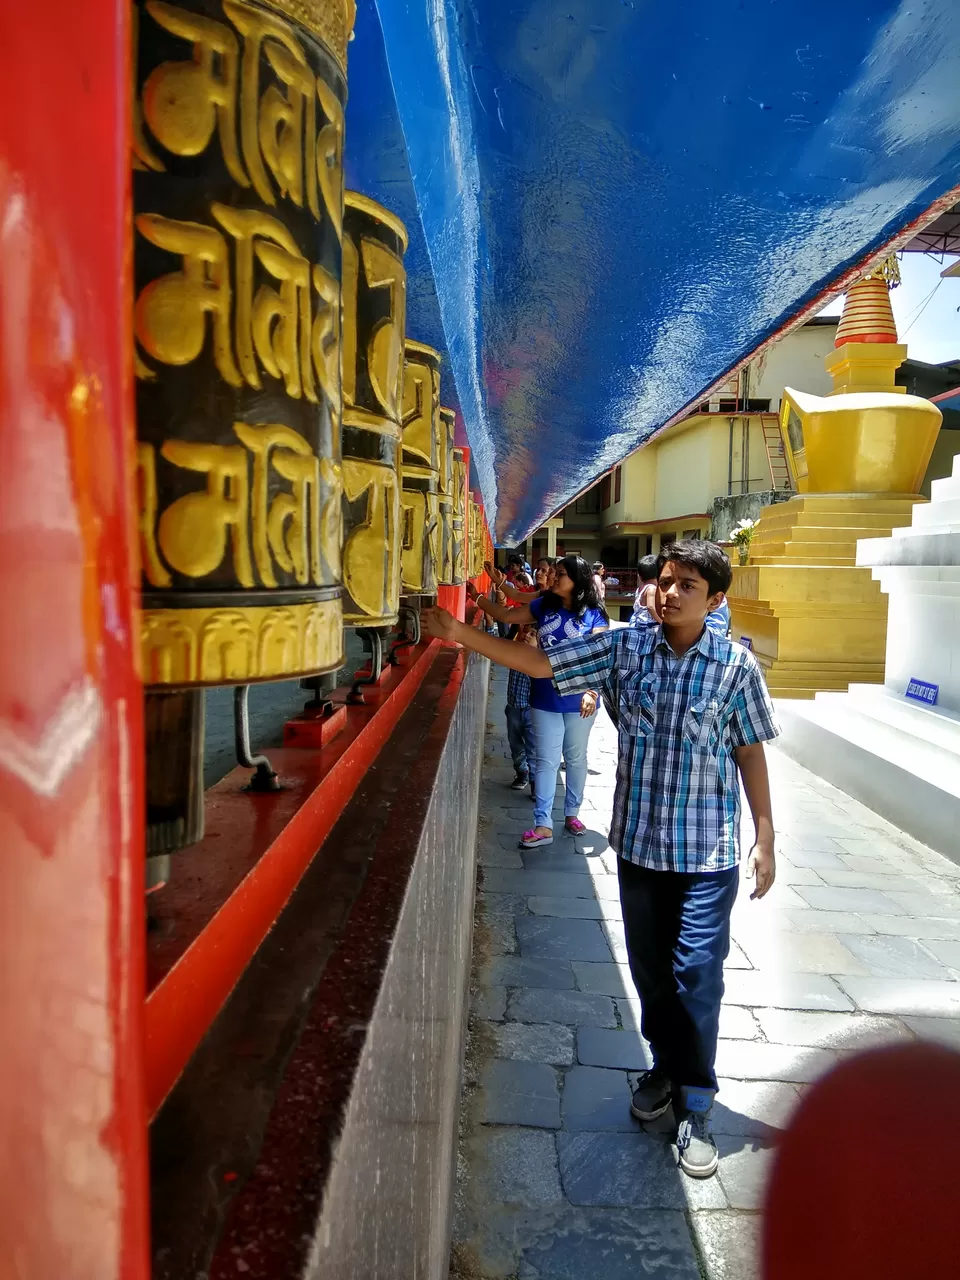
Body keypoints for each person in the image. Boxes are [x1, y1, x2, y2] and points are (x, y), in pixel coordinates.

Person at [422, 540, 778, 1181]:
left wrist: (766, 837)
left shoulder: (735, 669)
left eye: (687, 585)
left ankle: (697, 1100)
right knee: (649, 973)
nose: (669, 594)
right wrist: (458, 632)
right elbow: (539, 661)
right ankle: (665, 1069)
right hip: (641, 847)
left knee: (697, 974)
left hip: (708, 853)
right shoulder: (624, 649)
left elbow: (750, 751)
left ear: (716, 599)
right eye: (665, 582)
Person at [469, 555, 608, 846]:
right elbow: (507, 615)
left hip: (579, 700)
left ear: (578, 581)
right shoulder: (543, 605)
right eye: (554, 573)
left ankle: (572, 813)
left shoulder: (595, 615)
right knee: (544, 761)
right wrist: (478, 598)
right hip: (543, 695)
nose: (554, 578)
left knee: (575, 758)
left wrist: (592, 692)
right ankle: (542, 823)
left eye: (560, 575)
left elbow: (599, 657)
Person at [504, 626, 538, 790]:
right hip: (513, 709)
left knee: (533, 749)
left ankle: (535, 783)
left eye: (533, 634)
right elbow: (494, 647)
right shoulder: (513, 653)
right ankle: (521, 772)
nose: (527, 635)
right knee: (515, 745)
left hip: (532, 711)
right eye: (525, 631)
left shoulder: (541, 659)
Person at [630, 554, 661, 628]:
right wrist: (661, 621)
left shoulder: (640, 589)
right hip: (649, 625)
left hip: (639, 624)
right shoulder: (651, 589)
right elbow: (650, 607)